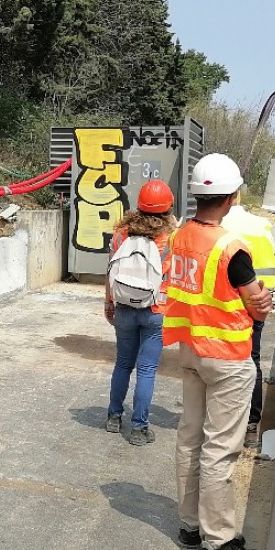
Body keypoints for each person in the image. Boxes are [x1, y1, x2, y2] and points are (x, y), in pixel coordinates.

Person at [164, 154, 272, 550]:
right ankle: (219, 541)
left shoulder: (179, 236)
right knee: (219, 450)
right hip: (226, 358)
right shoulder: (231, 248)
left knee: (190, 438)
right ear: (232, 196)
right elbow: (256, 307)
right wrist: (259, 302)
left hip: (189, 350)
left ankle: (191, 526)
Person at [104, 179, 177, 447]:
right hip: (156, 310)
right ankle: (139, 428)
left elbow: (110, 270)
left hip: (123, 306)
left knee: (123, 363)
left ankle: (113, 417)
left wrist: (109, 303)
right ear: (168, 206)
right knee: (146, 370)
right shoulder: (172, 238)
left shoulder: (122, 233)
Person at [221, 200, 275, 449]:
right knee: (252, 360)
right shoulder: (262, 225)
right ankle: (252, 426)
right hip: (259, 303)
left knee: (221, 362)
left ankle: (224, 421)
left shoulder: (220, 227)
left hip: (228, 305)